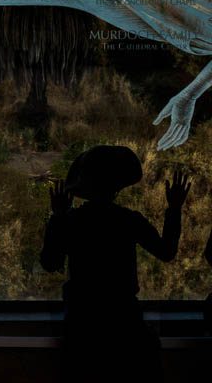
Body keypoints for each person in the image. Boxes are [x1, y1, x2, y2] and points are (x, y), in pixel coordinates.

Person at [40, 145, 190, 382]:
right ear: (117, 186)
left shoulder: (73, 221)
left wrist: (57, 217)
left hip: (83, 326)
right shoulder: (129, 220)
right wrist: (173, 209)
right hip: (124, 323)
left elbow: (50, 262)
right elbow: (166, 251)